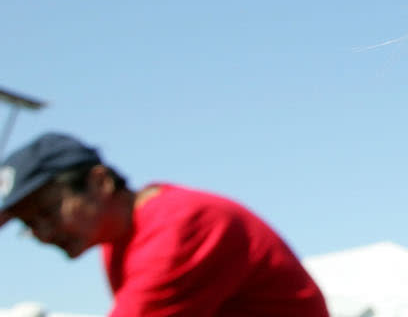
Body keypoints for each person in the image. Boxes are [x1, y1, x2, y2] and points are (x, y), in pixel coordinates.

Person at [0, 132, 328, 317]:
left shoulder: (182, 225)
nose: (43, 233)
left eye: (46, 213)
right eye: (28, 224)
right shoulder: (119, 240)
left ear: (99, 182)